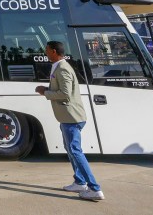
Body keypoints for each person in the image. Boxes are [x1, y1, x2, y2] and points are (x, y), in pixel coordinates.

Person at [36, 41, 104, 202]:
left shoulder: (63, 68)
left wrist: (44, 91)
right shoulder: (59, 66)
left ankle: (95, 189)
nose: (45, 53)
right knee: (70, 149)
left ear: (54, 51)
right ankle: (80, 182)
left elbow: (65, 94)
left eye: (47, 50)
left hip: (71, 118)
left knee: (75, 151)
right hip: (67, 117)